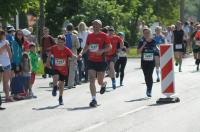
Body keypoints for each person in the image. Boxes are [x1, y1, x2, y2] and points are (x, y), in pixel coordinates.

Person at [79, 19, 111, 107]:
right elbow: (86, 46)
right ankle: (93, 99)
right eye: (93, 25)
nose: (95, 26)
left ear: (100, 26)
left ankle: (103, 84)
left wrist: (102, 50)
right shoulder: (90, 36)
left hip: (101, 61)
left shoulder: (104, 36)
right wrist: (81, 53)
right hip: (91, 60)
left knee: (100, 81)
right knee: (92, 79)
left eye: (96, 25)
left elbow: (110, 47)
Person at [46, 35, 76, 105]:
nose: (60, 44)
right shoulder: (53, 48)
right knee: (55, 77)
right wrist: (47, 63)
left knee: (62, 83)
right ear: (57, 42)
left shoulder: (66, 49)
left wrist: (77, 57)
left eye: (62, 42)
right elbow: (49, 56)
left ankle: (60, 97)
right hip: (56, 67)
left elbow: (72, 55)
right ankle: (54, 87)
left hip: (64, 69)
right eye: (59, 42)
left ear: (64, 42)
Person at [137, 28, 158, 97]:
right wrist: (143, 45)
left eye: (148, 33)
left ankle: (149, 90)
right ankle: (148, 87)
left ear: (150, 33)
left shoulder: (154, 41)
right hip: (144, 62)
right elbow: (138, 52)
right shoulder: (141, 41)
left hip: (151, 62)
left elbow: (156, 50)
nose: (146, 34)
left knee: (150, 75)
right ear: (143, 34)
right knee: (146, 76)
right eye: (145, 33)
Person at [65, 23, 80, 88]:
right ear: (73, 29)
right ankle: (70, 84)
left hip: (64, 54)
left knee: (64, 69)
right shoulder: (75, 36)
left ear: (66, 29)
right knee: (72, 70)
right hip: (73, 54)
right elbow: (78, 46)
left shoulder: (63, 36)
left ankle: (63, 82)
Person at [0, 30, 14, 102]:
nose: (3, 35)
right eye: (2, 34)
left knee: (6, 81)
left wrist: (11, 59)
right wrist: (4, 47)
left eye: (4, 34)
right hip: (0, 65)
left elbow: (10, 53)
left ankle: (7, 97)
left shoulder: (6, 42)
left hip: (7, 64)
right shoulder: (4, 43)